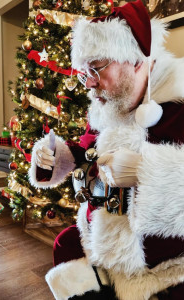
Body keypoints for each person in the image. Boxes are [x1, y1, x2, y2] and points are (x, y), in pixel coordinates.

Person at [29, 0, 184, 299]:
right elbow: (86, 149)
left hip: (163, 269)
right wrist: (59, 156)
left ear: (136, 59)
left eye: (97, 68)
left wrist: (145, 172)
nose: (89, 83)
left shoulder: (178, 100)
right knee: (65, 244)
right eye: (84, 72)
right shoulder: (109, 101)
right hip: (102, 244)